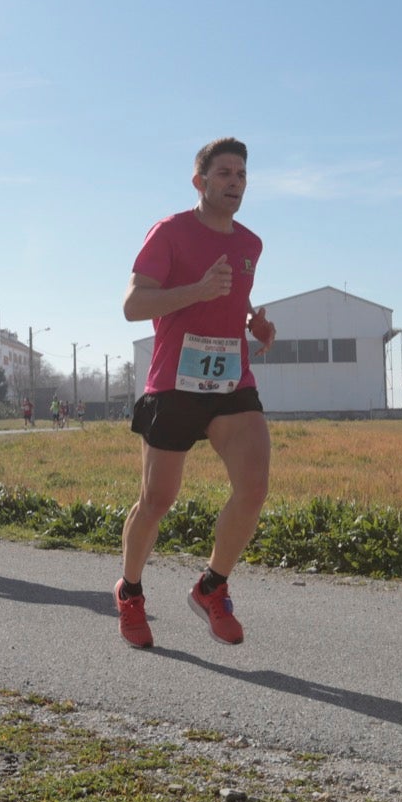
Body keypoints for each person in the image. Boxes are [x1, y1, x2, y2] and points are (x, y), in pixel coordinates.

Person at [114, 137, 276, 649]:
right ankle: (131, 590)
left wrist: (254, 324)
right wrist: (198, 291)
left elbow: (232, 298)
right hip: (174, 383)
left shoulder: (251, 244)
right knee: (156, 499)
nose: (234, 182)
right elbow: (134, 305)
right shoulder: (170, 232)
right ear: (200, 180)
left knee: (254, 487)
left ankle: (211, 586)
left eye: (242, 175)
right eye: (224, 173)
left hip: (231, 382)